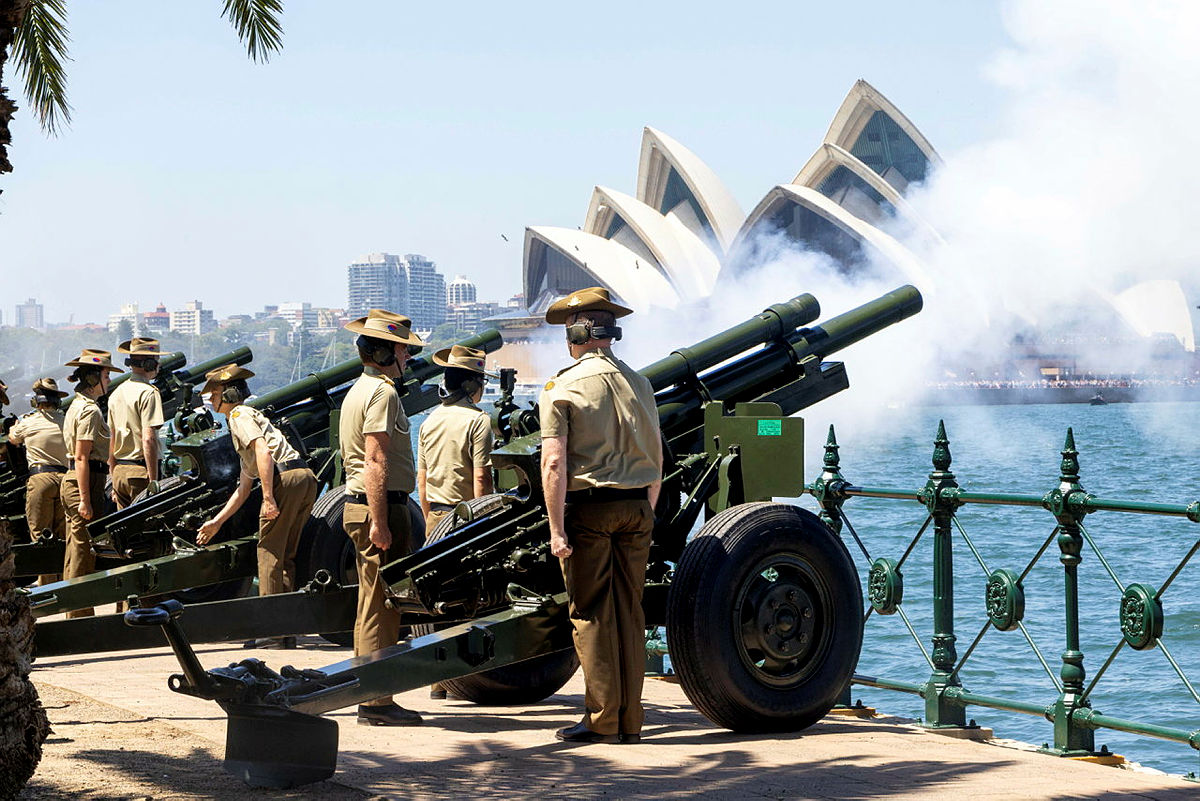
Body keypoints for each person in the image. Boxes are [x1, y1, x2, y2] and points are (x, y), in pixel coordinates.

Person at [539, 287, 662, 745]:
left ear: (577, 333)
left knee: (590, 612)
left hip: (591, 510)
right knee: (630, 611)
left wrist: (556, 529)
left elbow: (554, 463)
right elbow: (657, 456)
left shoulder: (563, 385)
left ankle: (602, 718)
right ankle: (631, 720)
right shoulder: (641, 383)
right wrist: (645, 509)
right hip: (636, 508)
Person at [339, 308, 427, 726]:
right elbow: (375, 459)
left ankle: (367, 690)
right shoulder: (383, 393)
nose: (407, 358)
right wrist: (380, 521)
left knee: (369, 603)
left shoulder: (358, 390)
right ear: (388, 351)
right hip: (380, 504)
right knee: (383, 605)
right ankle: (375, 701)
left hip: (361, 503)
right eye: (403, 350)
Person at [196, 364, 319, 649]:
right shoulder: (250, 416)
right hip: (302, 477)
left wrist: (268, 498)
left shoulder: (239, 415)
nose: (211, 401)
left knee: (268, 552)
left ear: (227, 394)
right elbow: (242, 489)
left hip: (283, 481)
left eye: (213, 394)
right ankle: (286, 629)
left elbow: (263, 450)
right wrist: (217, 522)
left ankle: (271, 630)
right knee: (284, 555)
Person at [415, 344, 495, 700]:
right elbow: (481, 481)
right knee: (471, 596)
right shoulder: (478, 421)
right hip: (466, 518)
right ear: (471, 386)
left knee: (437, 597)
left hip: (435, 515)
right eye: (480, 382)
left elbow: (422, 477)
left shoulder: (430, 421)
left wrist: (429, 515)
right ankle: (465, 675)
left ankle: (437, 681)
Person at [59, 350, 122, 617]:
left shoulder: (78, 405)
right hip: (83, 482)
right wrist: (85, 499)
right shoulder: (89, 411)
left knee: (76, 548)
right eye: (106, 376)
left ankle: (72, 609)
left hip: (80, 481)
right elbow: (82, 456)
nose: (108, 381)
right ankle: (79, 615)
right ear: (94, 378)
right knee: (83, 550)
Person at [9, 378, 70, 585]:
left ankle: (47, 586)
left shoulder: (28, 422)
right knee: (63, 538)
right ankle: (64, 583)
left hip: (41, 479)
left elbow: (12, 439)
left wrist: (15, 426)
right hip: (65, 480)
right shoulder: (66, 421)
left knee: (41, 538)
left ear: (37, 401)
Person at [107, 338, 165, 509]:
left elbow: (111, 439)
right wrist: (153, 481)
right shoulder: (149, 393)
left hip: (119, 473)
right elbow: (148, 439)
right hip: (140, 473)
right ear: (149, 364)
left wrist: (113, 477)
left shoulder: (116, 394)